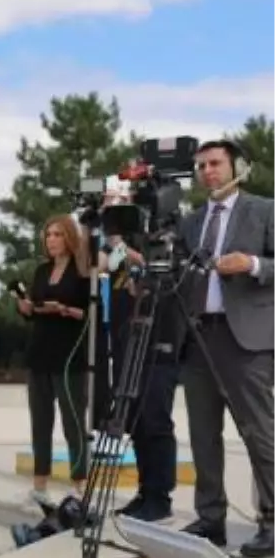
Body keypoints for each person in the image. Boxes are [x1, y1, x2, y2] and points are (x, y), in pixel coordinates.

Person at [177, 139, 275, 558]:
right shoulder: (191, 221)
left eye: (215, 163)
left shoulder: (264, 210)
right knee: (202, 434)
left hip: (246, 338)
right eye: (201, 166)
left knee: (259, 432)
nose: (207, 171)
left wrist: (252, 265)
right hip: (199, 337)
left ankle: (272, 521)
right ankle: (210, 518)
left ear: (237, 166)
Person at [97, 222, 182, 523]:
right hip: (126, 338)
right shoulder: (114, 243)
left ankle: (161, 497)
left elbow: (164, 267)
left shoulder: (163, 229)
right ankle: (146, 491)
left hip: (159, 340)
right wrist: (104, 234)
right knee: (135, 420)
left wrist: (126, 249)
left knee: (155, 419)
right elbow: (98, 267)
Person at [17, 214, 91, 506]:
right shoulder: (41, 271)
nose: (52, 240)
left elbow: (90, 314)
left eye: (58, 234)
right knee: (40, 422)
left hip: (70, 355)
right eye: (48, 235)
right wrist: (26, 308)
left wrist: (65, 310)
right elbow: (34, 308)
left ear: (70, 238)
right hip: (40, 353)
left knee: (73, 423)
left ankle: (80, 486)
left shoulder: (82, 272)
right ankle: (39, 485)